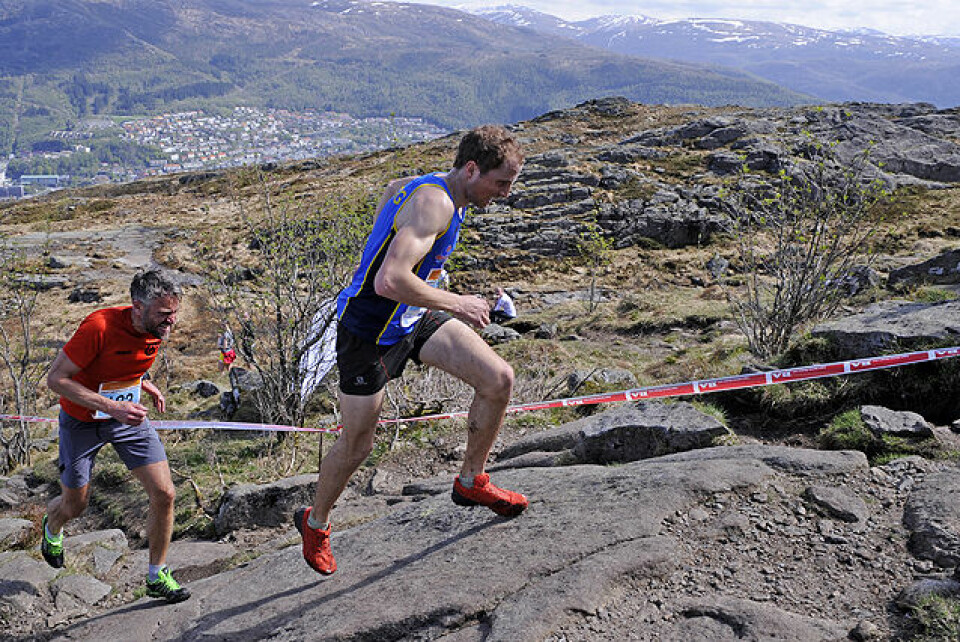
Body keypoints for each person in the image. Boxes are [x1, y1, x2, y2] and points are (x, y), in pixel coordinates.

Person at [295, 125, 528, 576]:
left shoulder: (435, 188)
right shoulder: (435, 202)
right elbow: (388, 280)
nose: (503, 194)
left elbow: (391, 189)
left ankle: (470, 481)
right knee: (358, 444)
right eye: (500, 183)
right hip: (368, 333)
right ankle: (316, 521)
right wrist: (457, 302)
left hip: (412, 318)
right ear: (472, 168)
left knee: (498, 379)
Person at [41, 269, 190, 604]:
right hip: (82, 421)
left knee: (164, 493)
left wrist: (141, 382)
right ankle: (52, 526)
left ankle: (157, 575)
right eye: (164, 314)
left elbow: (126, 360)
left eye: (175, 313)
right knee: (75, 505)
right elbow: (56, 380)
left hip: (127, 417)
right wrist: (112, 406)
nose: (172, 322)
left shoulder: (154, 328)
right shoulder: (99, 327)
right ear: (137, 307)